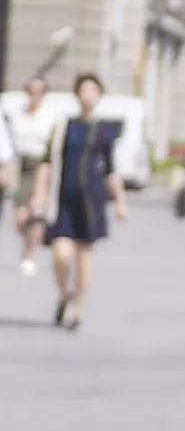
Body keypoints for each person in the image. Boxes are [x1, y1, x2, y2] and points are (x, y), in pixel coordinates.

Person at [30, 73, 128, 329]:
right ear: (77, 94)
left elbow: (110, 169)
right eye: (84, 90)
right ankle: (65, 295)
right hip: (63, 199)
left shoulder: (104, 130)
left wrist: (120, 200)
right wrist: (40, 193)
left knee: (84, 254)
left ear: (99, 96)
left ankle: (78, 306)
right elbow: (47, 162)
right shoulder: (65, 127)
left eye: (93, 91)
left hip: (91, 201)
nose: (88, 96)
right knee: (61, 255)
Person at [4, 76, 57, 275]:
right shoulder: (17, 115)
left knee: (34, 212)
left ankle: (29, 254)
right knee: (20, 216)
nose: (35, 96)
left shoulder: (50, 116)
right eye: (31, 92)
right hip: (21, 164)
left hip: (41, 164)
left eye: (39, 92)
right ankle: (29, 241)